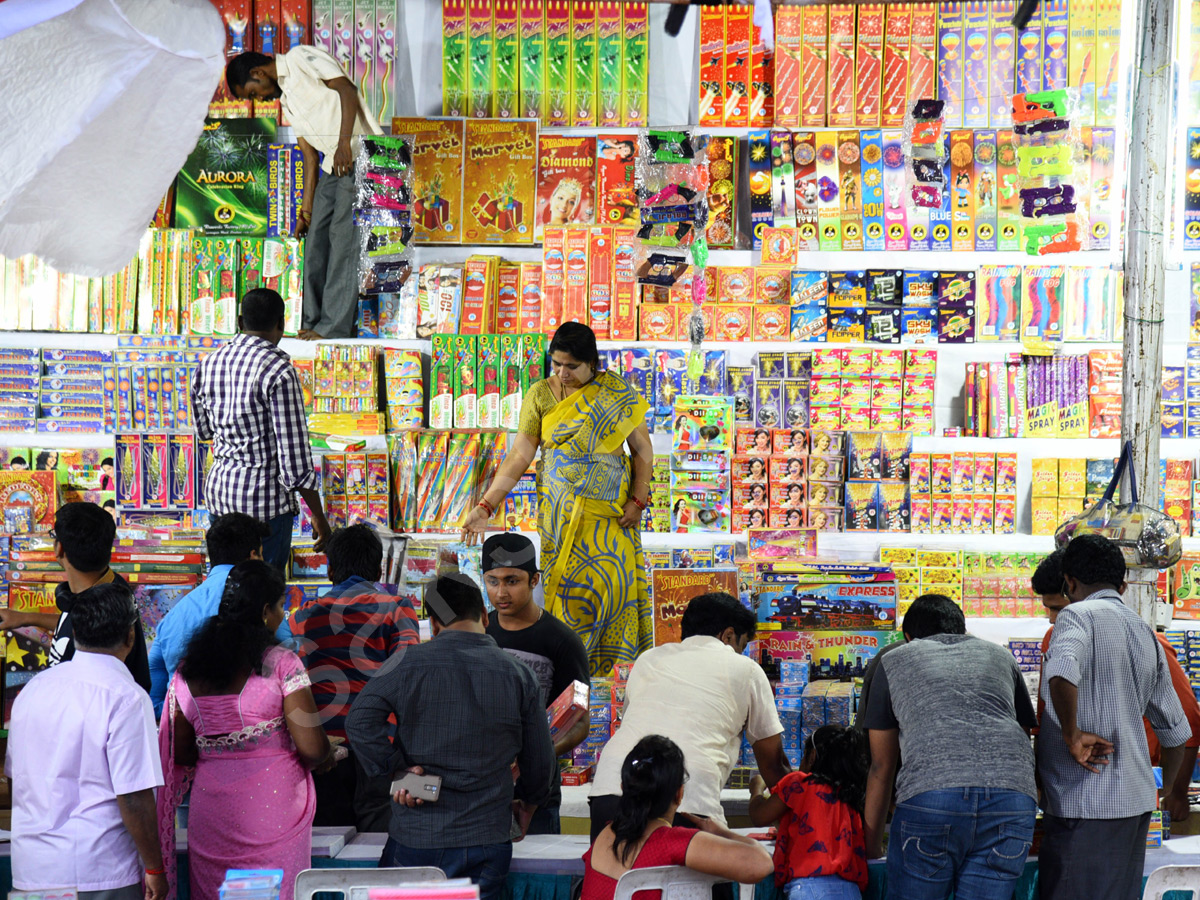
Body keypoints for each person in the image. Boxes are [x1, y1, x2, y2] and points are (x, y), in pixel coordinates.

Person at [346, 574, 556, 900]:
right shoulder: (518, 674)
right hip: (487, 838)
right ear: (485, 616)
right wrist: (528, 803)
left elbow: (359, 723)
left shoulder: (407, 661)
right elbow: (541, 763)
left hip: (417, 835)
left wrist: (398, 771)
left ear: (434, 622)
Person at [462, 323, 654, 677]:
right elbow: (520, 455)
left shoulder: (616, 393)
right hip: (560, 524)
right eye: (556, 365)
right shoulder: (539, 395)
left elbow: (643, 451)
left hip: (609, 522)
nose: (563, 374)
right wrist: (486, 505)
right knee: (566, 604)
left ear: (592, 363)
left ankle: (613, 691)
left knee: (611, 598)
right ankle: (571, 687)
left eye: (572, 366)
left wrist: (638, 500)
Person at [158, 560, 335, 900]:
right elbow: (312, 747)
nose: (283, 616)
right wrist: (328, 756)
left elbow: (180, 751)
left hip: (212, 814)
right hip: (273, 810)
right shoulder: (282, 663)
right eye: (281, 606)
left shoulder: (188, 669)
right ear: (266, 611)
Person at [1038, 534, 1192, 900]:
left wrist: (1072, 735)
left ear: (1070, 581)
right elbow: (1176, 731)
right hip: (1134, 804)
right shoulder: (1144, 631)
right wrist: (1167, 789)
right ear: (1122, 585)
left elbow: (1061, 672)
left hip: (1084, 803)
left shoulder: (1076, 615)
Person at [861, 594, 1037, 899]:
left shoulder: (894, 659)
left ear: (907, 638)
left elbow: (882, 765)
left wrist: (871, 844)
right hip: (1013, 800)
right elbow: (1023, 734)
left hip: (932, 796)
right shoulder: (1001, 656)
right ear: (963, 630)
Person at [8, 583, 165, 900]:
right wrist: (155, 868)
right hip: (100, 873)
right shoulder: (128, 698)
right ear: (131, 637)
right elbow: (134, 797)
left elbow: (16, 779)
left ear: (74, 631)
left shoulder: (34, 690)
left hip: (32, 869)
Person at [589, 592, 789, 840]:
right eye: (742, 645)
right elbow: (773, 766)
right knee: (711, 876)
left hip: (610, 791)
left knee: (616, 877)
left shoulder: (648, 659)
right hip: (685, 802)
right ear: (727, 635)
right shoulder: (746, 670)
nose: (740, 653)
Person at [225, 49, 382, 340]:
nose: (258, 99)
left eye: (253, 93)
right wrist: (305, 212)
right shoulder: (287, 101)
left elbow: (346, 89)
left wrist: (345, 143)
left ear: (258, 74)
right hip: (332, 164)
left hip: (360, 155)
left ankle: (333, 327)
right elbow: (309, 157)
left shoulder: (299, 58)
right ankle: (312, 322)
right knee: (315, 243)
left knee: (342, 242)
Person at [1032, 549, 1200, 807]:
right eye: (1049, 610)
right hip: (1066, 792)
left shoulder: (1145, 639)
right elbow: (1047, 714)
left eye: (1059, 609)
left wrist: (1174, 791)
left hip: (1128, 788)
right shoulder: (1052, 638)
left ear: (1074, 589)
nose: (1054, 619)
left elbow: (1185, 721)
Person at [191, 288, 332, 570]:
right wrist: (318, 515)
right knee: (262, 596)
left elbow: (204, 431)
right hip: (264, 506)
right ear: (281, 324)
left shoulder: (207, 364)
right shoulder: (279, 371)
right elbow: (295, 460)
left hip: (220, 498)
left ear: (240, 322)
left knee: (227, 589)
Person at [292, 523, 420, 832]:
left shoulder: (302, 615)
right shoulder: (396, 609)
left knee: (326, 849)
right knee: (379, 849)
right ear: (378, 571)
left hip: (323, 752)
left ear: (330, 570)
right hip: (378, 751)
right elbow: (411, 678)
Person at [481, 532, 591, 835]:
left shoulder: (564, 641)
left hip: (536, 791)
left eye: (511, 581)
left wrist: (536, 753)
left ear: (534, 580)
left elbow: (581, 721)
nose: (501, 591)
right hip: (481, 789)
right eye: (493, 581)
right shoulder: (479, 634)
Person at [582, 735, 773, 900]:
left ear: (623, 789)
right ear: (679, 794)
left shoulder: (604, 836)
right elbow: (762, 863)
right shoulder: (671, 842)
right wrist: (720, 832)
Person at [148, 512, 291, 718]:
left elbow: (156, 701)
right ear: (253, 556)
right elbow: (292, 670)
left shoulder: (172, 617)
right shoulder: (265, 604)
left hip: (186, 732)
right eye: (260, 555)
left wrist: (192, 715)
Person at [0, 501, 151, 692]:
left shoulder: (107, 605)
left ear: (59, 548)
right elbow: (79, 621)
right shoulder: (107, 591)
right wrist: (24, 618)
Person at [748, 726, 869, 900]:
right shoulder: (851, 794)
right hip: (850, 889)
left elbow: (759, 816)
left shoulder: (799, 783)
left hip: (807, 888)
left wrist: (756, 790)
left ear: (812, 757)